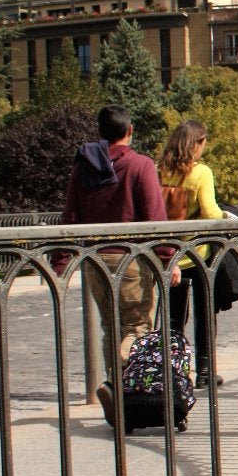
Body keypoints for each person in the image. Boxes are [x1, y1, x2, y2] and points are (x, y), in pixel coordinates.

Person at [57, 105, 178, 375]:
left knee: (110, 327)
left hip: (95, 258)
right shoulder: (140, 164)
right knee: (137, 327)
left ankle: (115, 386)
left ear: (100, 132)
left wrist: (60, 261)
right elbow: (155, 217)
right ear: (130, 130)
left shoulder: (83, 167)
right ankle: (128, 368)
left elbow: (70, 215)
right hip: (131, 259)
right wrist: (168, 258)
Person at [158, 120, 223, 388]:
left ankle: (174, 370)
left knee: (174, 316)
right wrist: (226, 217)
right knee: (205, 311)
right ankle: (205, 370)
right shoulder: (201, 173)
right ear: (196, 143)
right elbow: (210, 212)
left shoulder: (160, 171)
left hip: (168, 254)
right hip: (197, 253)